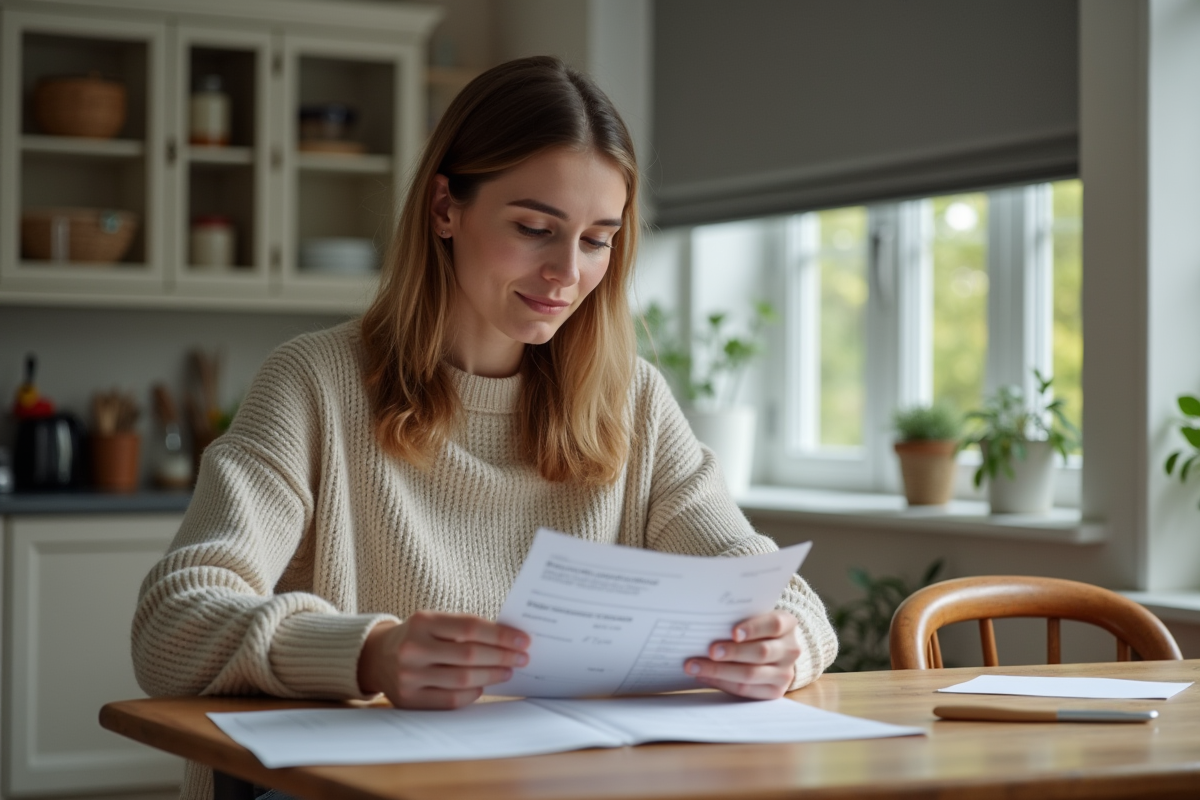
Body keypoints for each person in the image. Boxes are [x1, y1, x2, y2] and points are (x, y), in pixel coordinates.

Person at [132, 56, 837, 800]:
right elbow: (173, 623)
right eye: (536, 228)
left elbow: (770, 589)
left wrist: (783, 647)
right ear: (445, 209)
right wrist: (370, 655)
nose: (567, 271)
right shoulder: (313, 383)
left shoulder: (631, 401)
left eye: (598, 239)